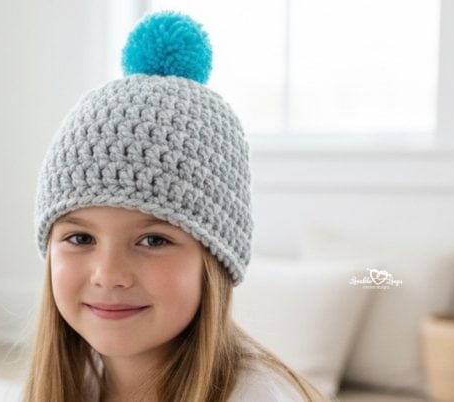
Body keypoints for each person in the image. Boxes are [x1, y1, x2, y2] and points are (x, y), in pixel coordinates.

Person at [24, 10, 329, 402]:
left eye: (153, 240)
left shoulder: (259, 396)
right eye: (80, 237)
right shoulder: (75, 384)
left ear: (215, 258)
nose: (108, 275)